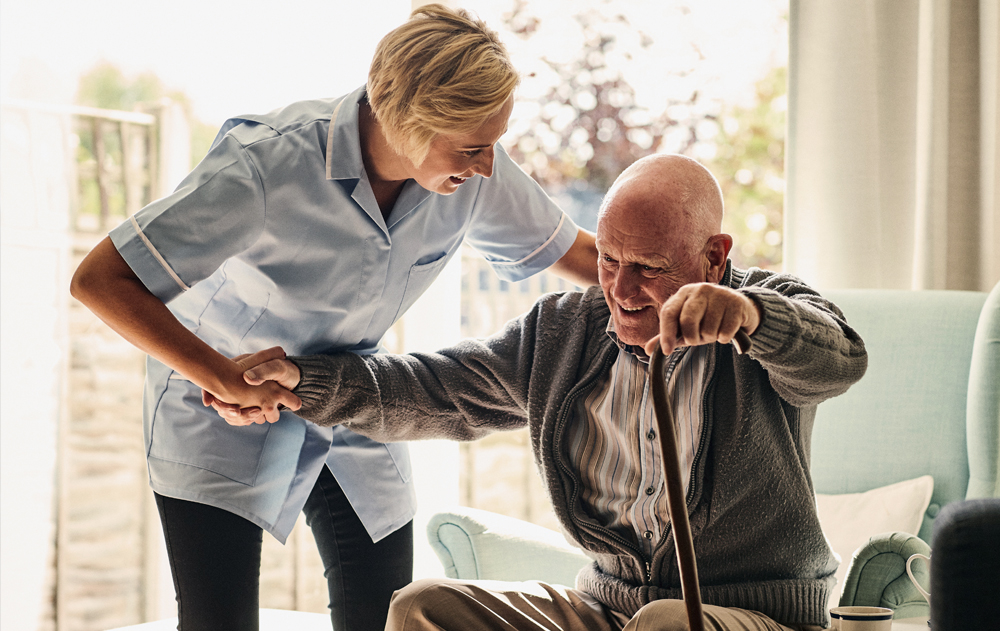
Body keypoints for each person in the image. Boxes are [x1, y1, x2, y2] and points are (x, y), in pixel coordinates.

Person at [69, 5, 599, 630]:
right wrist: (219, 376)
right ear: (406, 119)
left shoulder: (472, 170)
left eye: (494, 144)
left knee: (384, 615)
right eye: (474, 147)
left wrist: (718, 292)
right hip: (219, 405)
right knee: (218, 620)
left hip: (350, 398)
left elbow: (591, 258)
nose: (487, 165)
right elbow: (100, 279)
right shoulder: (264, 166)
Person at [224, 154, 869, 631]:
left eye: (649, 268)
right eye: (610, 259)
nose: (620, 288)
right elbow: (437, 388)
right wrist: (304, 383)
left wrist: (750, 317)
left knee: (668, 624)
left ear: (713, 254)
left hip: (753, 616)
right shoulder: (566, 331)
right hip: (608, 609)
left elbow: (839, 361)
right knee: (421, 608)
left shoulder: (767, 312)